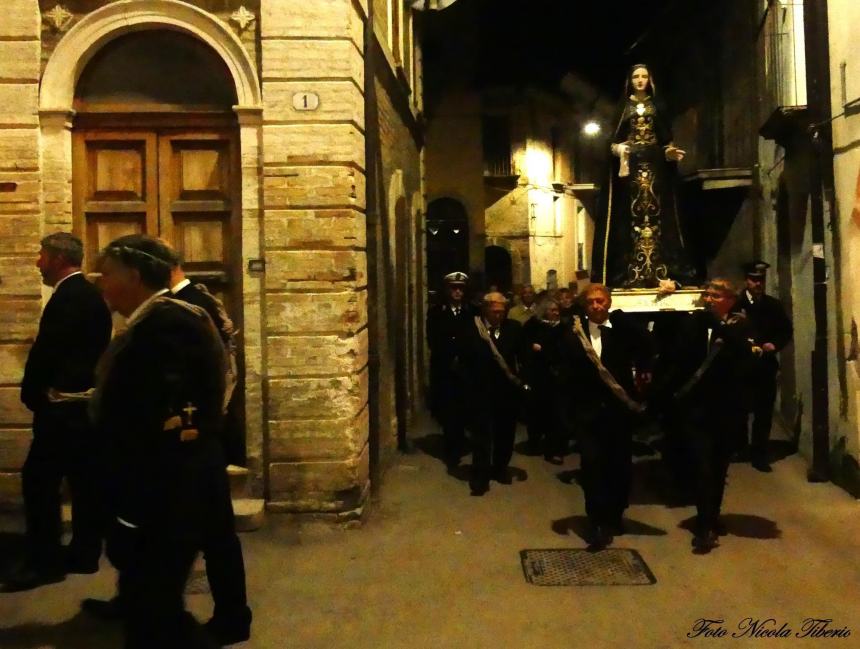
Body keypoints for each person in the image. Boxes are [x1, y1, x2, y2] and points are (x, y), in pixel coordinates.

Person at [88, 234, 230, 648]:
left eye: (108, 274)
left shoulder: (167, 327)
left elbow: (161, 424)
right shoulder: (154, 323)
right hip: (166, 489)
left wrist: (131, 508)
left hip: (167, 492)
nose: (101, 283)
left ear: (134, 275)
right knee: (153, 606)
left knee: (156, 612)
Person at [2, 233, 113, 592]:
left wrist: (36, 394)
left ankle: (45, 561)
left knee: (39, 483)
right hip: (79, 409)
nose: (37, 262)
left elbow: (50, 354)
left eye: (41, 255)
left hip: (63, 409)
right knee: (85, 482)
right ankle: (84, 553)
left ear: (58, 258)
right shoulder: (87, 296)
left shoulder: (70, 297)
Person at [166, 249, 252, 644]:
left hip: (196, 435)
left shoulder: (187, 309)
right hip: (200, 435)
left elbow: (209, 375)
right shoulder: (193, 303)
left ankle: (231, 615)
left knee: (212, 534)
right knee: (189, 531)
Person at [655, 279, 754, 553]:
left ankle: (711, 515)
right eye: (707, 294)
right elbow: (675, 352)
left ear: (729, 300)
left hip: (725, 409)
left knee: (719, 467)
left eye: (716, 295)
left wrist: (719, 325)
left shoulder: (739, 325)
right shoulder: (694, 323)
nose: (709, 299)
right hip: (696, 408)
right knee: (702, 467)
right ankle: (704, 526)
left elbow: (741, 354)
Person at [591, 63, 697, 288]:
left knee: (659, 215)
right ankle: (629, 271)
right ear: (630, 80)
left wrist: (668, 152)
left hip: (655, 167)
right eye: (636, 77)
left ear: (650, 80)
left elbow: (665, 137)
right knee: (628, 218)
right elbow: (611, 141)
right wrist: (619, 149)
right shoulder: (623, 108)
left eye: (644, 76)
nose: (640, 80)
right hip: (629, 171)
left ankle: (663, 269)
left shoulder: (657, 106)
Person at [566, 284, 653, 550]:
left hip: (617, 412)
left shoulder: (623, 329)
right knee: (592, 467)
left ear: (609, 302)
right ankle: (597, 523)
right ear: (584, 305)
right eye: (591, 302)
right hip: (588, 413)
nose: (596, 306)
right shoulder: (573, 332)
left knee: (618, 465)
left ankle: (615, 514)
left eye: (601, 301)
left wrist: (645, 368)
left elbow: (649, 345)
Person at [459, 292, 525, 496]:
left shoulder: (514, 329)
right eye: (495, 311)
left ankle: (500, 468)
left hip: (506, 391)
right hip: (481, 390)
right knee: (481, 435)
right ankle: (481, 476)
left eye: (502, 312)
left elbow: (521, 356)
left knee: (505, 433)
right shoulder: (471, 329)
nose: (499, 315)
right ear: (485, 310)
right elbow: (464, 360)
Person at [737, 261, 793, 472]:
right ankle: (741, 447)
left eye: (761, 280)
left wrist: (774, 344)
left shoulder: (773, 305)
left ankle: (759, 454)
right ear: (746, 281)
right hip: (741, 366)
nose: (758, 284)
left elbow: (785, 330)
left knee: (763, 411)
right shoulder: (737, 304)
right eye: (754, 279)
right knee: (740, 409)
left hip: (765, 366)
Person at [426, 271, 475, 469]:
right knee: (447, 408)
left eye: (460, 288)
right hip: (445, 368)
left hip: (465, 369)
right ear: (447, 290)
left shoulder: (472, 312)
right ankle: (451, 448)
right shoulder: (437, 312)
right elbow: (433, 339)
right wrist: (448, 357)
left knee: (463, 407)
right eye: (454, 288)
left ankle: (460, 438)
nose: (457, 291)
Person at [521, 298, 572, 463]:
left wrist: (544, 350)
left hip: (557, 377)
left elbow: (564, 350)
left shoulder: (564, 328)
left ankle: (556, 448)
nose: (556, 312)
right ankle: (534, 442)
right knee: (536, 412)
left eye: (557, 309)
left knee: (557, 415)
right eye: (552, 310)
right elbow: (525, 347)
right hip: (538, 377)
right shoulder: (533, 326)